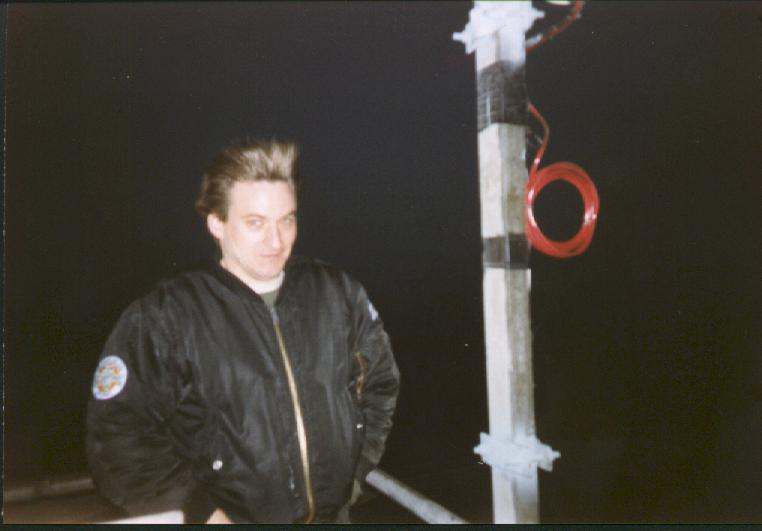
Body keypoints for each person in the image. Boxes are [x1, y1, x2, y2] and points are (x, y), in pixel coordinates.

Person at [86, 140, 400, 524]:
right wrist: (199, 510)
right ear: (216, 223)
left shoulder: (337, 292)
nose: (276, 240)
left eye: (286, 220)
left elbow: (380, 384)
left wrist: (353, 473)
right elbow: (116, 436)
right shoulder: (167, 315)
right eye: (256, 222)